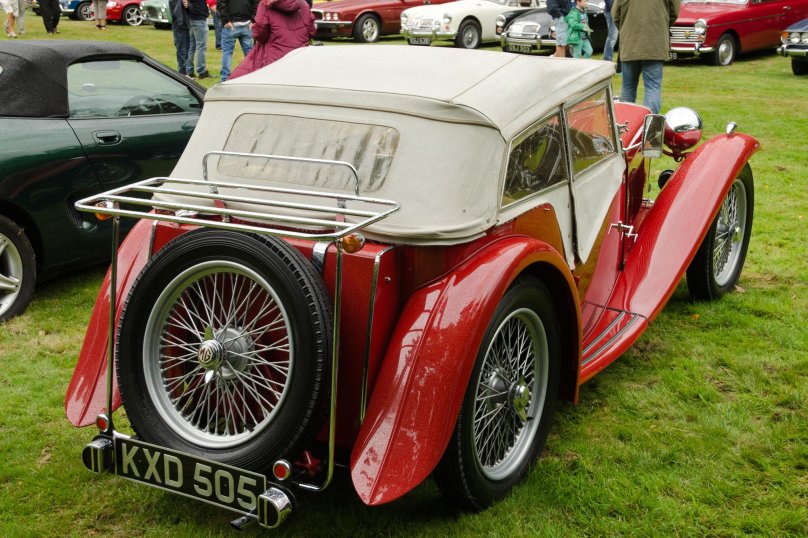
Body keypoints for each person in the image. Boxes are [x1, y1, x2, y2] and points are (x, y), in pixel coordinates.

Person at [612, 0, 680, 114]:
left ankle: (626, 122)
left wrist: (628, 28)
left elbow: (615, 15)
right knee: (652, 87)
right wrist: (660, 24)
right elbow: (674, 12)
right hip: (655, 42)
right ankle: (649, 123)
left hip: (630, 43)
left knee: (628, 86)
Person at [229, 0, 312, 80]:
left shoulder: (266, 4)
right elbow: (311, 30)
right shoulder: (304, 4)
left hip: (275, 58)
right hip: (298, 58)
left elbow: (259, 34)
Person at [217, 0, 258, 81]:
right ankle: (252, 75)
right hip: (241, 23)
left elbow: (221, 3)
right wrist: (253, 20)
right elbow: (256, 3)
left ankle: (225, 78)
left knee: (228, 53)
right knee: (248, 53)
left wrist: (253, 20)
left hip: (239, 24)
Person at [185, 0, 212, 78]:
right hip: (199, 18)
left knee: (192, 46)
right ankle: (201, 71)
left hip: (192, 17)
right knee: (201, 46)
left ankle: (189, 70)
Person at [170, 0, 191, 76]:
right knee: (181, 51)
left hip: (186, 26)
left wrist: (187, 5)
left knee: (187, 50)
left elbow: (189, 9)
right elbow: (177, 12)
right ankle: (182, 72)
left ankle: (186, 72)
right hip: (179, 27)